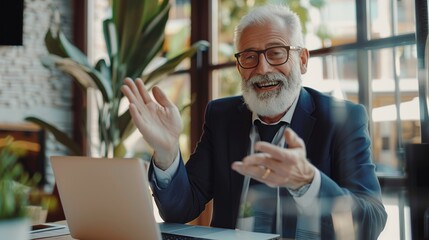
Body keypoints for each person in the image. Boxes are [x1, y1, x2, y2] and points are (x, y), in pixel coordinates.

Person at [121, 4, 387, 239]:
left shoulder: (343, 119)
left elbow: (371, 223)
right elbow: (180, 210)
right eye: (249, 56)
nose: (262, 69)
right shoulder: (222, 116)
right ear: (239, 66)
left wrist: (309, 182)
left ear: (302, 60)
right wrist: (167, 151)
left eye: (276, 53)